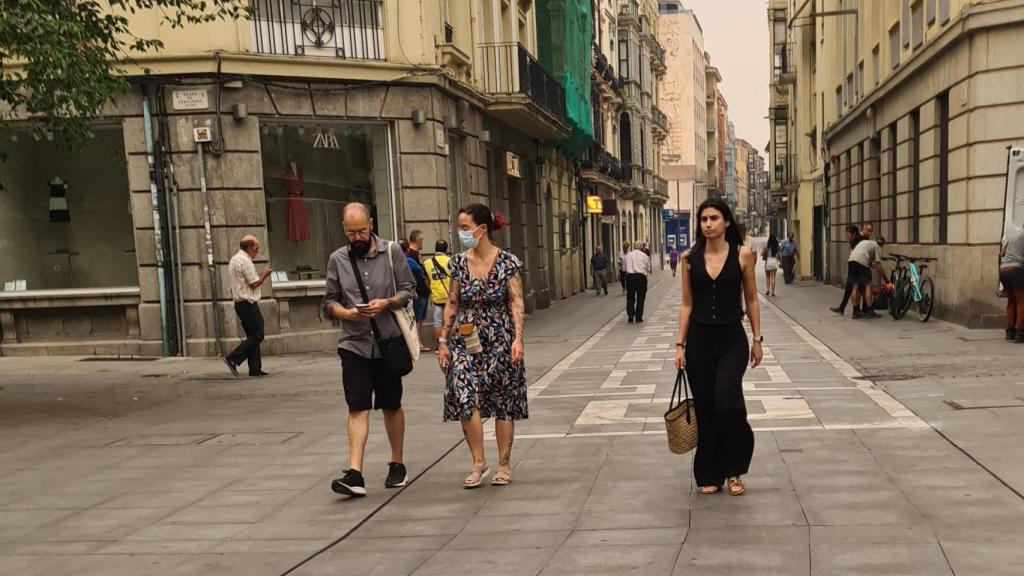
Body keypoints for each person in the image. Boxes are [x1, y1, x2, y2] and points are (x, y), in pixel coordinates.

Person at [323, 203, 416, 497]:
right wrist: (345, 313)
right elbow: (328, 302)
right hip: (354, 345)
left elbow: (408, 290)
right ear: (344, 229)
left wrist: (386, 303)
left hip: (388, 341)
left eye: (362, 230)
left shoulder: (392, 252)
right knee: (357, 406)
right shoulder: (337, 259)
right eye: (351, 233)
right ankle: (355, 474)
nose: (358, 237)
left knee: (391, 404)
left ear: (371, 223)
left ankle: (397, 463)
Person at [675, 198, 762, 497]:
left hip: (732, 341)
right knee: (706, 407)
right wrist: (679, 345)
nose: (708, 224)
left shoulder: (743, 255)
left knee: (727, 401)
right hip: (699, 341)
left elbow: (751, 299)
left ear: (726, 222)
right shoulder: (688, 258)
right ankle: (708, 472)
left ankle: (734, 468)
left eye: (713, 218)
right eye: (703, 219)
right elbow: (686, 304)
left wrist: (757, 339)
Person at [437, 204, 526, 488]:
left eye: (465, 227)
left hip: (499, 337)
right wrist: (442, 341)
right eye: (460, 227)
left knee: (503, 401)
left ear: (482, 229)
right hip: (464, 337)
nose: (461, 233)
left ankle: (503, 463)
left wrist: (518, 339)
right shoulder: (458, 264)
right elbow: (452, 302)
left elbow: (516, 301)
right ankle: (478, 461)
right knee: (464, 396)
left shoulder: (507, 262)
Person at [224, 235, 272, 377]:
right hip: (248, 303)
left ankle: (255, 368)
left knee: (252, 335)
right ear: (249, 248)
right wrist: (264, 275)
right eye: (256, 249)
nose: (257, 252)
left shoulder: (234, 259)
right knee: (258, 335)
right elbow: (254, 283)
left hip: (240, 303)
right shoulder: (245, 261)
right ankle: (233, 358)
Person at [423, 239, 452, 350]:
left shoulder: (427, 263)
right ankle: (451, 344)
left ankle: (439, 345)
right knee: (451, 321)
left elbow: (426, 280)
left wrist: (431, 289)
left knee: (438, 322)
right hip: (450, 296)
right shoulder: (451, 261)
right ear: (446, 249)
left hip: (437, 297)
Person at [848, 232, 883, 319]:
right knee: (868, 286)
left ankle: (855, 311)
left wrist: (871, 266)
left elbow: (869, 261)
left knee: (855, 286)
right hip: (861, 262)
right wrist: (886, 280)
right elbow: (877, 266)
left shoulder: (865, 242)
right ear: (882, 244)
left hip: (851, 261)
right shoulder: (877, 246)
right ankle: (870, 311)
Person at [831, 225, 864, 316]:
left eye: (848, 233)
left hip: (855, 267)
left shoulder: (856, 240)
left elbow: (852, 253)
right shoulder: (854, 240)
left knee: (855, 288)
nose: (847, 235)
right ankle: (844, 308)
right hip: (854, 267)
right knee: (850, 289)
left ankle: (855, 310)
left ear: (853, 233)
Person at [407, 230, 432, 353]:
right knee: (417, 317)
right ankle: (417, 343)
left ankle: (419, 341)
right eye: (422, 241)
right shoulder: (411, 255)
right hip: (419, 291)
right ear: (418, 240)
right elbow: (416, 274)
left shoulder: (416, 254)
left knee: (421, 318)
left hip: (423, 291)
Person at [999, 225, 1024, 343]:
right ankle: (1020, 333)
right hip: (1016, 271)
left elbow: (1002, 253)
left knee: (1011, 301)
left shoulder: (1012, 236)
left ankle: (1009, 332)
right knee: (1021, 302)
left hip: (1003, 271)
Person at [623, 241, 651, 323]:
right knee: (641, 298)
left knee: (630, 297)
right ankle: (639, 317)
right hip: (641, 277)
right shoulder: (644, 256)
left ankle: (631, 315)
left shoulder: (628, 255)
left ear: (634, 247)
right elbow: (648, 269)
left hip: (630, 277)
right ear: (641, 247)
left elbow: (624, 269)